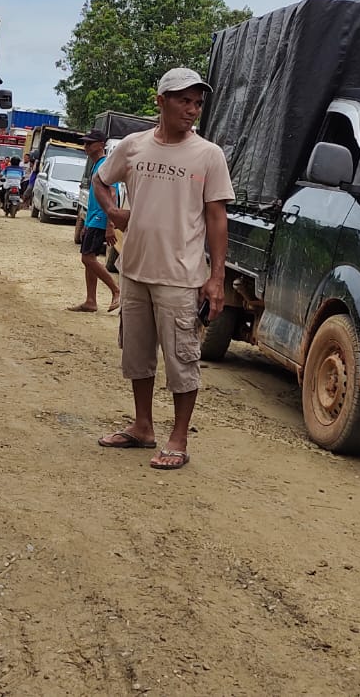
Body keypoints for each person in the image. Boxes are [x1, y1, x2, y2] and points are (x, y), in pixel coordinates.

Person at [91, 68, 233, 470]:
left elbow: (217, 218)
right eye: (184, 101)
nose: (192, 110)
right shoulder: (134, 146)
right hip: (135, 270)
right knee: (137, 356)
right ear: (161, 101)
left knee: (181, 360)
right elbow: (101, 180)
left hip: (181, 276)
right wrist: (113, 211)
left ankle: (178, 438)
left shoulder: (208, 155)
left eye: (197, 103)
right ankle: (142, 426)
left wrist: (216, 277)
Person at [68, 129, 121, 313]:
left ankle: (116, 290)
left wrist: (110, 225)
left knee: (87, 258)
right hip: (93, 219)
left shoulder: (105, 165)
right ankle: (91, 300)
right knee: (89, 259)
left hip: (100, 218)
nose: (86, 146)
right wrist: (87, 223)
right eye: (85, 143)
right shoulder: (97, 165)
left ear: (100, 145)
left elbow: (113, 195)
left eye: (89, 143)